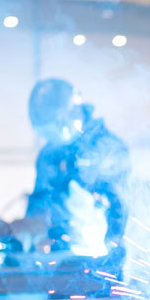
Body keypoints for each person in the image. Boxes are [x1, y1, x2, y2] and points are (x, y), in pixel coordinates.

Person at [24, 78, 130, 270]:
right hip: (62, 258)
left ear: (71, 113)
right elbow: (40, 200)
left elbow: (120, 200)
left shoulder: (108, 147)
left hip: (104, 259)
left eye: (55, 130)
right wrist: (32, 229)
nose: (52, 139)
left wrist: (114, 240)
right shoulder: (48, 155)